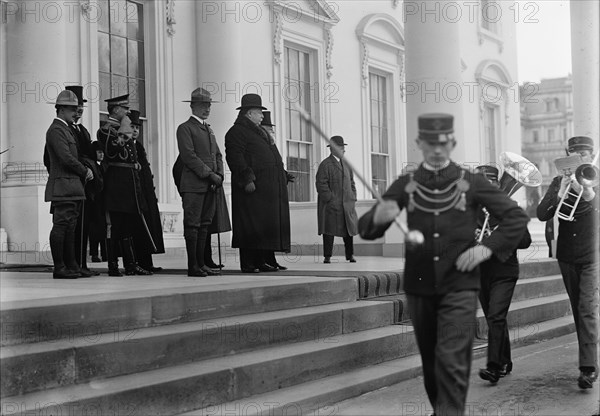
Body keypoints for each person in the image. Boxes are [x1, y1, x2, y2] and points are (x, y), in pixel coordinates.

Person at [358, 113, 529, 416]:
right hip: (420, 287)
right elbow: (367, 229)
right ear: (419, 143)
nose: (437, 149)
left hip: (460, 286)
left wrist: (486, 249)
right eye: (430, 143)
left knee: (452, 361)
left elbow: (515, 219)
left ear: (451, 142)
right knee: (432, 363)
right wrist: (377, 217)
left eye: (443, 143)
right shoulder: (406, 183)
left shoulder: (472, 182)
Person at [537, 135, 599, 389]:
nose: (581, 158)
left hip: (593, 253)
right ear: (568, 157)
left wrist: (588, 192)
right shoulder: (557, 182)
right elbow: (542, 214)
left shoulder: (595, 177)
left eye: (585, 154)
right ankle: (591, 357)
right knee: (578, 310)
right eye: (575, 154)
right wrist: (560, 191)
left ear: (591, 154)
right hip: (567, 255)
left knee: (586, 308)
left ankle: (588, 368)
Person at [475, 165, 532, 384]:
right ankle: (506, 360)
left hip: (504, 272)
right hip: (481, 272)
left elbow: (525, 241)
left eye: (491, 182)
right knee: (494, 319)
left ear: (498, 185)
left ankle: (494, 367)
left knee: (496, 317)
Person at [225, 94, 291, 273]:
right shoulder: (236, 132)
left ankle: (261, 261)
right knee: (249, 226)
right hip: (251, 188)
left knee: (261, 226)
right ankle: (248, 264)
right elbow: (235, 157)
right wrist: (247, 178)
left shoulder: (259, 132)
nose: (262, 116)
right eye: (258, 112)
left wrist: (282, 174)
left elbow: (270, 158)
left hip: (265, 190)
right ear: (248, 113)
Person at [44, 90, 94, 279]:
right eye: (72, 109)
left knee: (70, 226)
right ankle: (60, 267)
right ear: (61, 109)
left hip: (71, 187)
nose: (76, 112)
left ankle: (71, 265)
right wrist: (85, 170)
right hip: (63, 186)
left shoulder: (66, 129)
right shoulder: (57, 130)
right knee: (61, 225)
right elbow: (66, 158)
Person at [102, 95, 152, 276]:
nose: (128, 112)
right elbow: (111, 150)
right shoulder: (107, 130)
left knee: (128, 227)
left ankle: (131, 264)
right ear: (115, 110)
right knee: (115, 227)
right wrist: (123, 134)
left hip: (130, 186)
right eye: (125, 109)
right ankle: (113, 265)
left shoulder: (125, 128)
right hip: (117, 186)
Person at [176, 87, 223, 277]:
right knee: (193, 225)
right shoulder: (185, 128)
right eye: (203, 105)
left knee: (204, 224)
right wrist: (210, 175)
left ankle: (202, 264)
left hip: (210, 185)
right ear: (193, 106)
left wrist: (219, 175)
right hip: (194, 186)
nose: (207, 109)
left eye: (209, 105)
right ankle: (193, 265)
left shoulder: (209, 130)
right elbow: (189, 156)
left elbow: (218, 154)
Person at [129, 110, 165, 272]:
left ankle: (147, 261)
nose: (135, 130)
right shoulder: (127, 146)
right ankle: (137, 262)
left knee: (147, 227)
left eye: (137, 127)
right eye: (132, 126)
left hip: (146, 193)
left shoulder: (139, 146)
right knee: (137, 229)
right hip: (135, 194)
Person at [316, 135, 359, 264]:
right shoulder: (325, 165)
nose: (343, 150)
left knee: (348, 231)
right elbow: (321, 184)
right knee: (329, 230)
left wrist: (353, 197)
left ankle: (350, 255)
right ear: (333, 149)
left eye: (343, 147)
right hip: (331, 205)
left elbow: (352, 182)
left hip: (347, 204)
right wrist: (330, 199)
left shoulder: (346, 164)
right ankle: (327, 256)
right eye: (340, 147)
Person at [260, 111, 293, 270]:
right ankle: (266, 259)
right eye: (269, 128)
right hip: (267, 192)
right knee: (267, 228)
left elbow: (277, 165)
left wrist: (285, 175)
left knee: (273, 229)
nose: (272, 132)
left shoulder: (271, 144)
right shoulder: (263, 144)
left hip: (276, 191)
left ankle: (271, 259)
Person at [88, 140, 107, 263]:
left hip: (102, 200)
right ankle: (95, 254)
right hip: (94, 201)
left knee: (103, 228)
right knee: (95, 229)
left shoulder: (102, 166)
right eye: (99, 152)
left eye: (103, 152)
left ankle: (105, 253)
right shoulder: (92, 166)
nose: (102, 155)